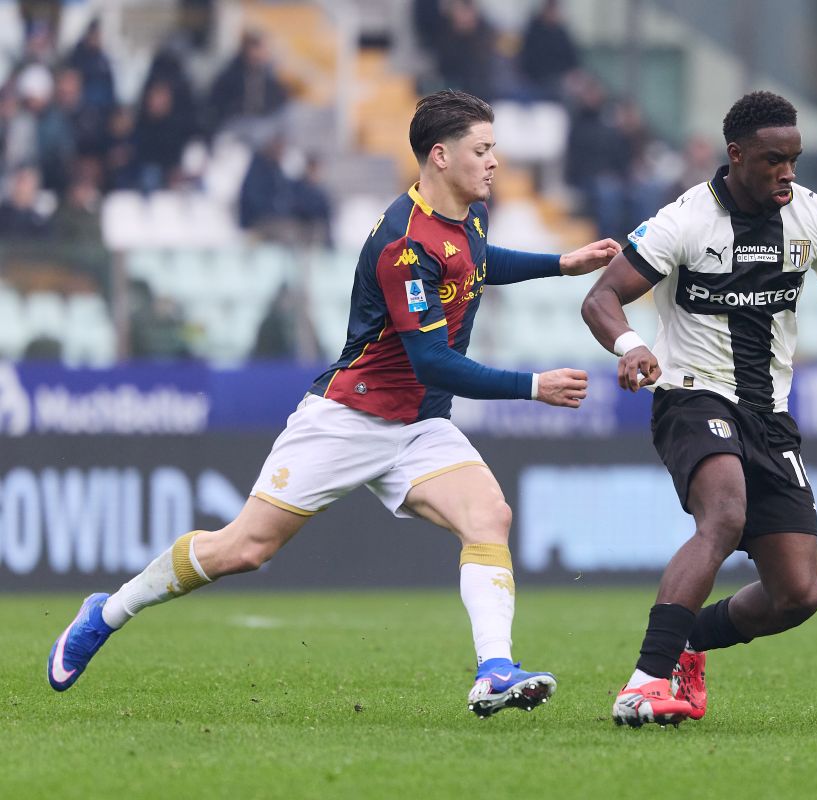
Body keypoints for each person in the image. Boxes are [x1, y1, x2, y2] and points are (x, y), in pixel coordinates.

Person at [47, 89, 622, 719]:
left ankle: (493, 671)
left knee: (489, 517)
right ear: (439, 156)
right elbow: (433, 361)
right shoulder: (403, 245)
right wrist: (532, 386)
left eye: (494, 150)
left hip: (418, 424)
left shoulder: (467, 214)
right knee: (244, 549)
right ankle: (106, 612)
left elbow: (478, 262)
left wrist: (561, 264)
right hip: (349, 419)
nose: (493, 163)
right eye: (482, 150)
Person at [581, 91, 817, 727]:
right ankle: (645, 681)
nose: (787, 172)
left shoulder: (814, 217)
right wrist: (630, 344)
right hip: (691, 394)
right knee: (724, 514)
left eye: (795, 159)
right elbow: (601, 299)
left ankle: (685, 645)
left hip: (770, 414)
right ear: (736, 155)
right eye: (773, 160)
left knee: (798, 594)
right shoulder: (683, 222)